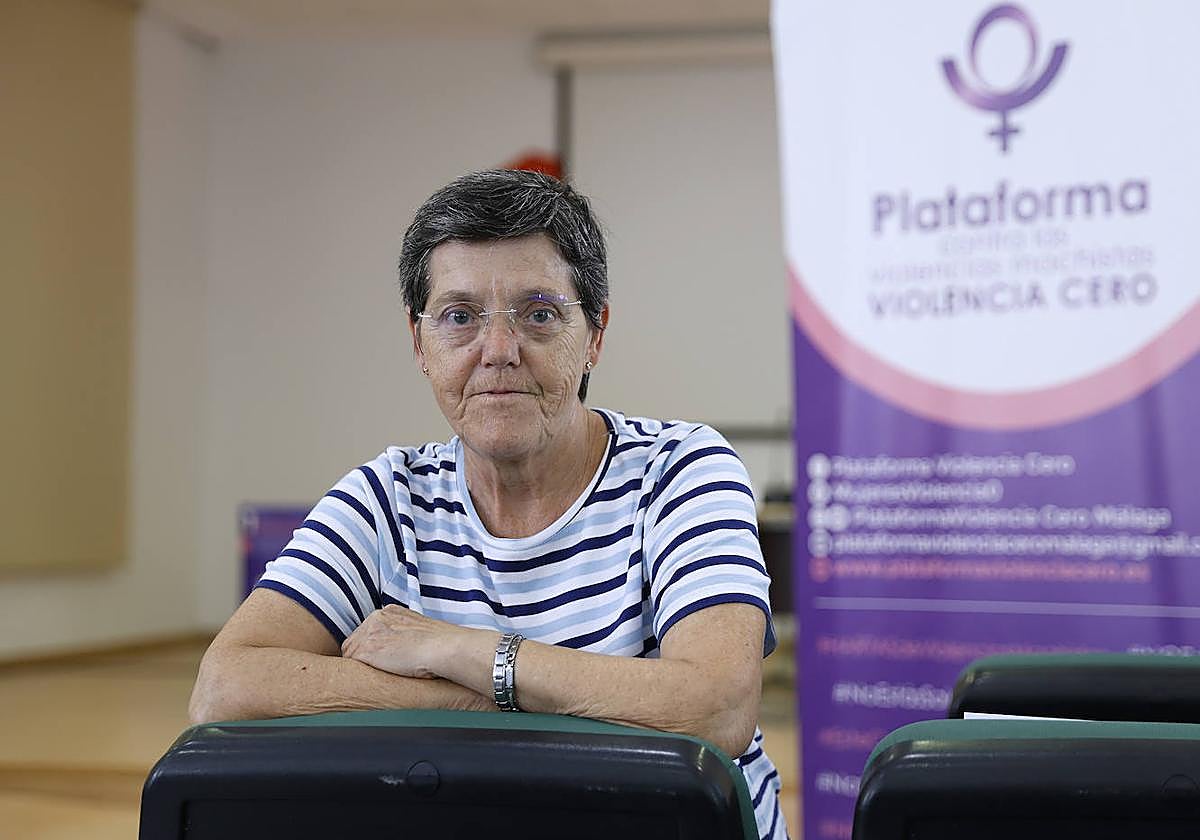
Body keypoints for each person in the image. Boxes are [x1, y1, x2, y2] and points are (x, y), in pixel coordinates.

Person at [190, 169, 786, 839]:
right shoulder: (386, 498)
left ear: (595, 333)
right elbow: (226, 687)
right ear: (419, 342)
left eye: (539, 314)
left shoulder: (679, 469)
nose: (498, 352)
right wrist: (489, 698)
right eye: (459, 317)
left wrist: (461, 649)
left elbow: (716, 708)